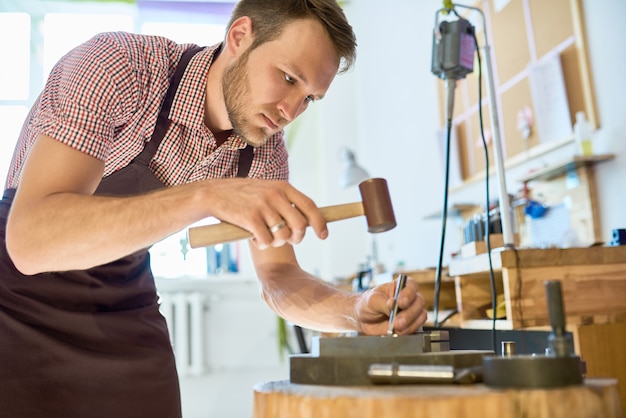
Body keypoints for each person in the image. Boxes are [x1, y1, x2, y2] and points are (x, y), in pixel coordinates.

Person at [0, 0, 427, 416]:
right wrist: (206, 195)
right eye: (289, 78)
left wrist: (352, 310)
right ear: (240, 36)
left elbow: (278, 276)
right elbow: (32, 241)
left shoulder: (263, 154)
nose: (291, 111)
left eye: (309, 98)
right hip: (17, 300)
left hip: (122, 299)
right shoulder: (120, 67)